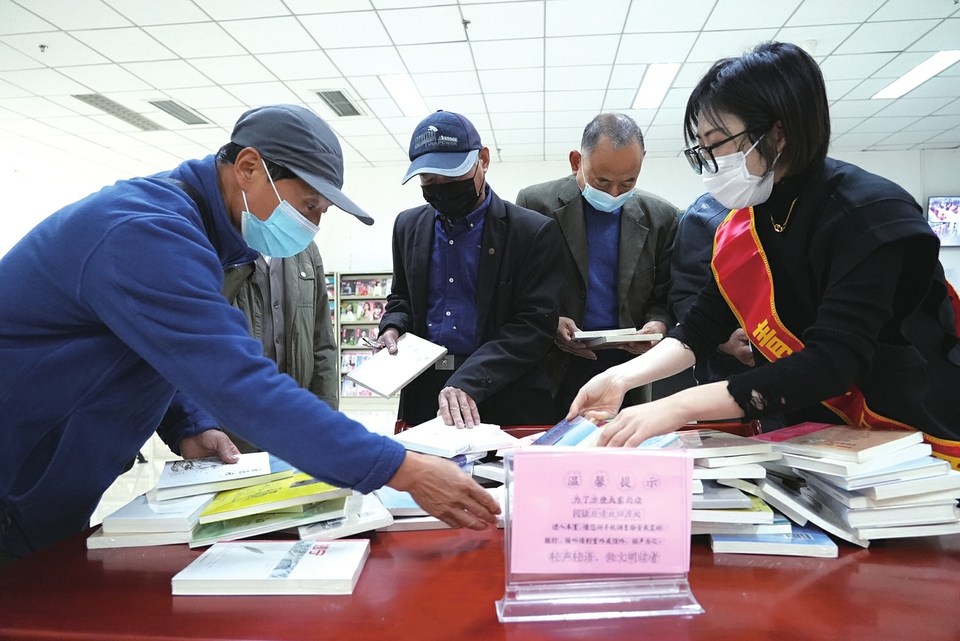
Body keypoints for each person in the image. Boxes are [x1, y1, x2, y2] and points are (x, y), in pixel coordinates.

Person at [0, 104, 499, 565]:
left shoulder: (196, 233)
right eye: (309, 206)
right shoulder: (145, 232)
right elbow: (238, 382)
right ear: (249, 168)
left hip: (48, 483)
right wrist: (402, 468)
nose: (311, 225)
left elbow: (148, 347)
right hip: (17, 475)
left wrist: (187, 422)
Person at [568, 42, 960, 467]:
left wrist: (677, 406)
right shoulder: (749, 220)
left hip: (905, 434)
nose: (709, 163)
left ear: (777, 133)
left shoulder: (869, 214)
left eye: (717, 144)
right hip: (815, 433)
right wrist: (619, 377)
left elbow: (834, 361)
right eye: (700, 147)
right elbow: (699, 328)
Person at [378, 110, 563, 429]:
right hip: (425, 393)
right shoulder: (407, 226)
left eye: (453, 175)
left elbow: (533, 325)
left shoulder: (532, 232)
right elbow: (402, 298)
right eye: (429, 179)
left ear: (484, 160)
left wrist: (469, 380)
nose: (442, 188)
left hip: (506, 392)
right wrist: (392, 325)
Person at [516, 113, 680, 420]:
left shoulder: (662, 217)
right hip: (553, 369)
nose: (614, 193)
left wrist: (658, 326)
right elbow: (519, 288)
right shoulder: (535, 204)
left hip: (627, 370)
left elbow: (665, 297)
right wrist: (551, 320)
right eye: (602, 181)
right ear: (576, 161)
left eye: (628, 181)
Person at [668, 192, 754, 385]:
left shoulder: (819, 203)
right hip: (726, 366)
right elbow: (688, 295)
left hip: (808, 360)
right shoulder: (705, 214)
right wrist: (726, 340)